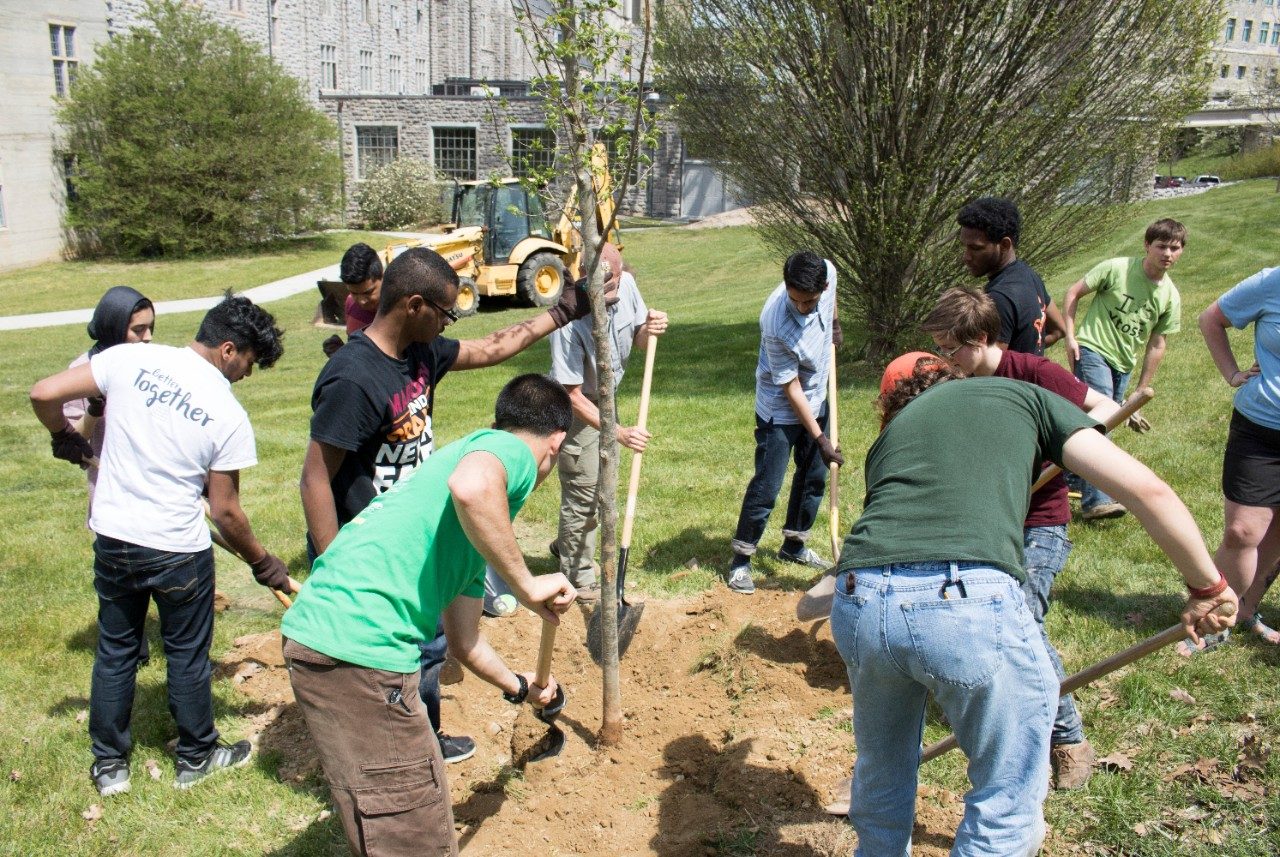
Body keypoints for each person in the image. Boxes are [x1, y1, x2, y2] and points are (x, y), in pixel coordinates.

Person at [830, 359, 1236, 857]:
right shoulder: (1026, 396)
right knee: (1007, 800)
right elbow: (1145, 489)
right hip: (963, 599)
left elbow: (892, 541)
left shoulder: (892, 438)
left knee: (883, 769)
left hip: (861, 600)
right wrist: (1207, 586)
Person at [299, 245, 589, 763]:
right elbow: (316, 479)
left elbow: (493, 346)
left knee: (432, 643)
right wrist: (332, 561)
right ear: (414, 306)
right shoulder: (354, 377)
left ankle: (422, 734)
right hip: (367, 542)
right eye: (446, 312)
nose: (451, 322)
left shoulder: (420, 354)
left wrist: (561, 313)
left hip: (418, 531)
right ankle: (401, 743)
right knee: (406, 647)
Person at [282, 373, 577, 857]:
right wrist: (527, 585)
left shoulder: (465, 534)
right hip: (360, 652)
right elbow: (473, 486)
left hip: (326, 639)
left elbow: (465, 643)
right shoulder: (512, 451)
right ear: (556, 444)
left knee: (390, 813)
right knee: (414, 832)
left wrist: (522, 687)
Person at [30, 295, 293, 796]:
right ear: (229, 349)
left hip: (115, 538)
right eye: (249, 364)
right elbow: (227, 512)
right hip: (178, 551)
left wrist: (59, 433)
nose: (247, 375)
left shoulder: (129, 359)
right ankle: (196, 756)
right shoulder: (228, 414)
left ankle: (109, 767)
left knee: (116, 650)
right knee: (187, 656)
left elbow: (43, 392)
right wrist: (264, 563)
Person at [922, 287, 1121, 789]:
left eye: (952, 348)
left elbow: (1096, 414)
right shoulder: (956, 385)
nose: (945, 360)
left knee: (1022, 619)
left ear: (982, 338)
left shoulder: (1034, 373)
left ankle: (1068, 738)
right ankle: (995, 702)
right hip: (986, 518)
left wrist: (1068, 451)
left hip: (1039, 520)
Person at [549, 244, 668, 598]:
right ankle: (578, 575)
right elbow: (570, 394)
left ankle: (568, 545)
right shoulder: (567, 318)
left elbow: (640, 338)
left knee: (603, 486)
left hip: (606, 398)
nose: (610, 298)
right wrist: (618, 432)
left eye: (614, 287)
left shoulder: (627, 284)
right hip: (576, 406)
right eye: (603, 291)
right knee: (584, 490)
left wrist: (651, 328)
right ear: (585, 279)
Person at [727, 250, 844, 594]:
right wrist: (821, 438)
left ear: (821, 287)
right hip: (780, 408)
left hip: (818, 395)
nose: (802, 307)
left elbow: (833, 296)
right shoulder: (775, 320)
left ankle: (794, 545)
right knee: (768, 485)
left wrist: (834, 323)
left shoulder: (829, 275)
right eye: (796, 300)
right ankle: (741, 561)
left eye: (809, 301)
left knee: (814, 476)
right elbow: (790, 387)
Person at [1063, 218, 1186, 520]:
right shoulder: (1117, 268)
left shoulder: (1170, 295)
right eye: (1161, 246)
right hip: (1092, 350)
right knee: (1102, 422)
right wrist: (1070, 336)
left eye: (1175, 248)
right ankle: (1095, 501)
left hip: (1123, 364)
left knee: (1093, 422)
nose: (1167, 253)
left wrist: (1138, 394)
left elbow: (1157, 344)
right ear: (1147, 246)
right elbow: (1073, 293)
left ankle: (1069, 478)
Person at [1196, 268, 1280, 649]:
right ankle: (1212, 621)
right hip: (1261, 426)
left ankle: (1246, 611)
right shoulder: (1273, 282)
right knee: (1243, 530)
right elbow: (1212, 318)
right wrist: (1232, 373)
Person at [62, 287, 156, 512]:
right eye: (139, 329)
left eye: (151, 328)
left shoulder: (154, 363)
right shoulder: (80, 372)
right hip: (112, 494)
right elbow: (72, 442)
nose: (148, 337)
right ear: (113, 328)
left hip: (156, 485)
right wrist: (95, 408)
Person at [956, 197, 1066, 355]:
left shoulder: (997, 298)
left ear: (1005, 245)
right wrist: (1028, 354)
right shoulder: (1029, 275)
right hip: (1031, 380)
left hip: (1008, 381)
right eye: (964, 247)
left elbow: (989, 369)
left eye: (975, 248)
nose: (966, 257)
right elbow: (1059, 331)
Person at [321, 242, 383, 357]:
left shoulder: (400, 307)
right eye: (354, 293)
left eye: (368, 292)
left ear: (382, 276)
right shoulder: (350, 302)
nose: (361, 301)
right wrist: (341, 352)